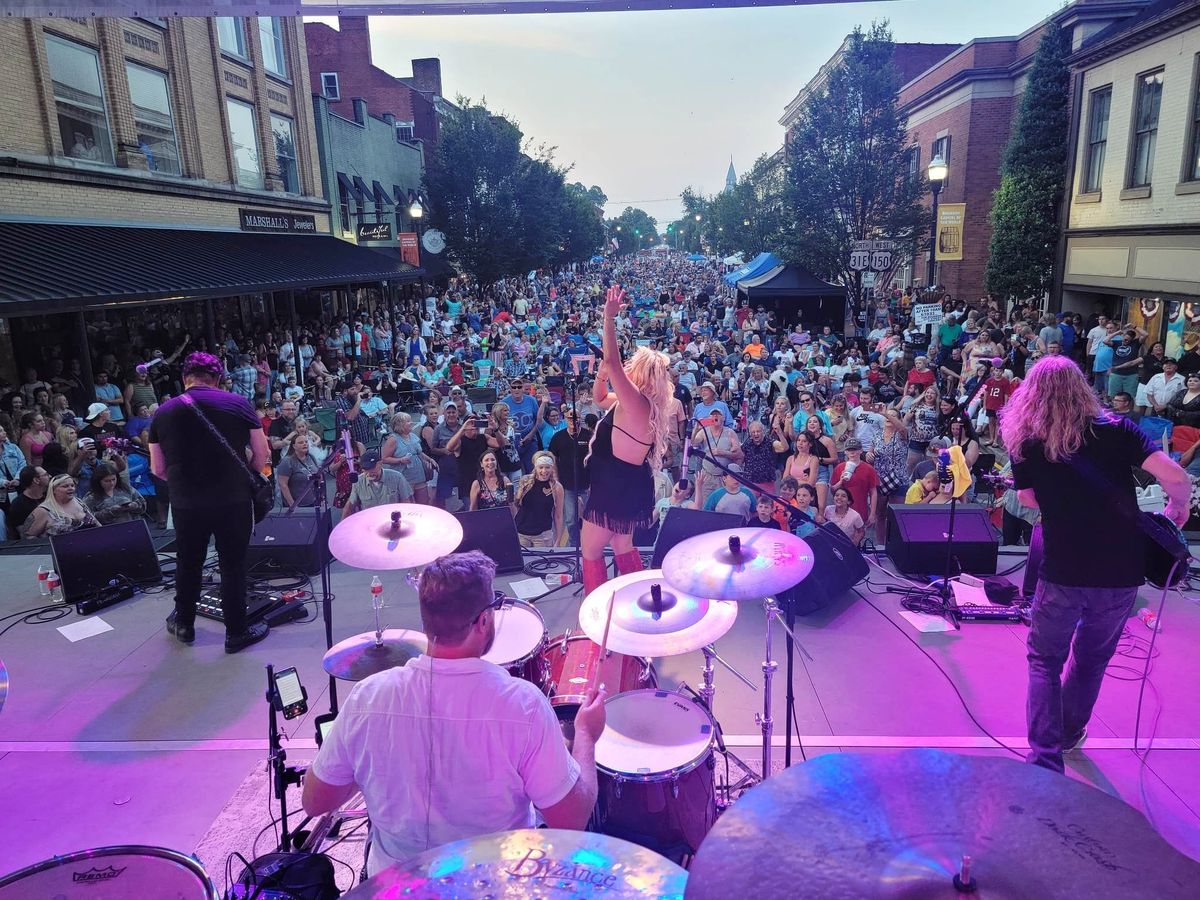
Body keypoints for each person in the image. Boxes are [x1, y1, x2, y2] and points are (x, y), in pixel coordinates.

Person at [301, 550, 607, 876]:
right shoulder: (523, 705)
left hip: (394, 886)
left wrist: (370, 767)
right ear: (484, 621)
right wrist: (586, 735)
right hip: (493, 886)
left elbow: (315, 802)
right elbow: (571, 818)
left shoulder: (367, 697)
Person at [1000, 356, 1190, 773]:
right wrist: (1179, 507)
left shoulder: (1025, 440)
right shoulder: (1118, 430)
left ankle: (1046, 758)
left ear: (1031, 393)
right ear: (1082, 387)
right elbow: (1176, 477)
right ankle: (1069, 733)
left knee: (1045, 661)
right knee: (1091, 658)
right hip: (1120, 571)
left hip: (1063, 568)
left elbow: (1028, 500)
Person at [149, 352, 271, 653]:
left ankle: (184, 625)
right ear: (218, 379)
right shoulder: (238, 404)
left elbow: (157, 469)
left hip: (187, 504)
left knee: (188, 563)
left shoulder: (163, 412)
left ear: (184, 378)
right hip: (233, 500)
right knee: (232, 565)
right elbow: (262, 455)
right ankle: (236, 634)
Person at [580, 286, 673, 597]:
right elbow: (598, 398)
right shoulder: (634, 404)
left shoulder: (636, 402)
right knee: (622, 544)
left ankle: (595, 615)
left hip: (614, 487)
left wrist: (609, 319)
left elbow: (615, 362)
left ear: (641, 373)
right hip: (626, 483)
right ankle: (639, 602)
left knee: (590, 550)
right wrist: (601, 375)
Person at [548, 409, 592, 545]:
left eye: (576, 417)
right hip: (567, 484)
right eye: (570, 418)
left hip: (586, 484)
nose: (574, 420)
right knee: (571, 519)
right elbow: (553, 458)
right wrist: (556, 479)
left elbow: (596, 458)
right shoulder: (558, 437)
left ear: (581, 419)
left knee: (588, 517)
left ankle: (588, 543)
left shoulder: (589, 435)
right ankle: (573, 543)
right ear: (565, 419)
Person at [23, 474, 99, 539]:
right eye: (65, 486)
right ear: (54, 490)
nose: (71, 488)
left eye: (72, 485)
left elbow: (96, 523)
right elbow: (27, 537)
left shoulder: (78, 501)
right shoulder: (43, 510)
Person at [514, 452, 565, 548]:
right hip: (521, 533)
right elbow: (517, 505)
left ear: (552, 468)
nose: (544, 471)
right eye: (541, 467)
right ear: (536, 468)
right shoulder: (525, 481)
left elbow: (558, 515)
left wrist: (558, 539)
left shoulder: (557, 487)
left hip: (543, 535)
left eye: (547, 467)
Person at [342, 450, 413, 518]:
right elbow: (350, 506)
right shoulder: (358, 481)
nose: (370, 472)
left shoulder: (397, 477)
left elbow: (406, 503)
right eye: (366, 469)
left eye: (373, 467)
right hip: (369, 522)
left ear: (381, 464)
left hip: (392, 519)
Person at [381, 413, 432, 505]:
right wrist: (400, 460)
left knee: (424, 503)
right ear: (399, 425)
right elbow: (384, 459)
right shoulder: (393, 440)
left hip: (419, 474)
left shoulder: (413, 436)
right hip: (404, 477)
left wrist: (430, 460)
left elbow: (419, 453)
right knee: (408, 505)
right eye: (408, 421)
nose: (411, 423)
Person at [831, 438, 879, 533]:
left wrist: (873, 513)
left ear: (861, 451)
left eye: (855, 450)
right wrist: (840, 481)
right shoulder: (839, 468)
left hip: (860, 510)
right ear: (845, 452)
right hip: (841, 511)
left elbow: (873, 492)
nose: (852, 452)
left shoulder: (869, 469)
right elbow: (832, 490)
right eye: (849, 450)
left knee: (858, 537)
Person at [276, 434, 321, 509]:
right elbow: (283, 485)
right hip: (297, 505)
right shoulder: (287, 461)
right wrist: (293, 505)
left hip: (313, 501)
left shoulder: (311, 457)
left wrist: (320, 497)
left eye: (306, 442)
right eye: (300, 442)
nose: (304, 444)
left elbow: (319, 478)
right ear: (294, 446)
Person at [7, 465, 48, 539]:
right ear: (36, 480)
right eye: (46, 475)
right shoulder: (18, 505)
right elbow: (24, 534)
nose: (50, 476)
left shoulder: (50, 496)